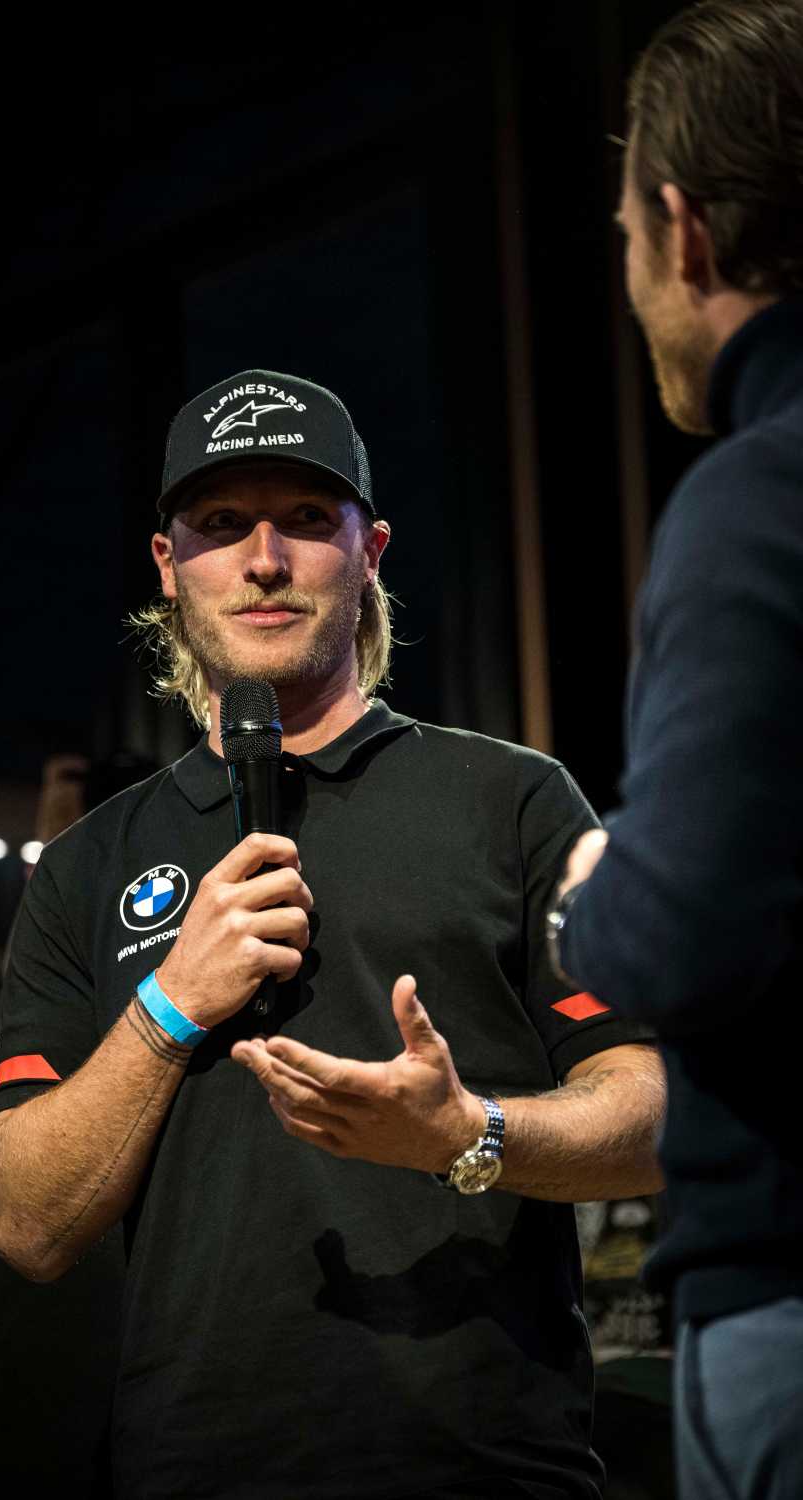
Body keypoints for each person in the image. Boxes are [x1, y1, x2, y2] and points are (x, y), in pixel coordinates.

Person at [0, 367, 665, 1499]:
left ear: (370, 552)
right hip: (187, 1473)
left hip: (485, 1468)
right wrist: (168, 1007)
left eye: (304, 518)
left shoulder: (511, 800)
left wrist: (469, 1132)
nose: (264, 560)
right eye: (219, 524)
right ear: (167, 564)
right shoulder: (88, 863)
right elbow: (26, 1223)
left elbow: (654, 1114)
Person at [547, 5, 803, 1498]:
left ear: (684, 229)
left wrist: (597, 890)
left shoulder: (755, 497)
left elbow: (687, 932)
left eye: (625, 238)